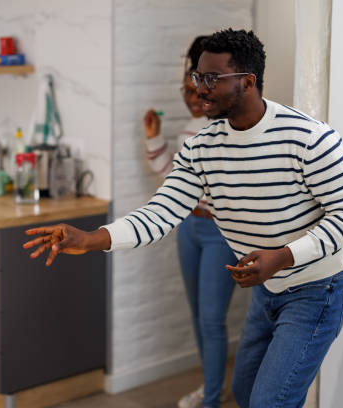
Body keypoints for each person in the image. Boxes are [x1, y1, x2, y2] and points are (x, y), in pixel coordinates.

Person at [23, 28, 343, 408]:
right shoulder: (200, 147)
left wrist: (282, 257)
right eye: (196, 77)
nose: (199, 88)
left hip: (319, 288)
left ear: (247, 81)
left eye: (210, 79)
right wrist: (91, 239)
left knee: (271, 401)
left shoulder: (310, 139)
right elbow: (163, 211)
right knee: (245, 393)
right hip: (269, 292)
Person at [143, 35, 236, 408]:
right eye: (189, 86)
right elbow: (172, 182)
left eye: (200, 84)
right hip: (188, 227)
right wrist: (154, 139)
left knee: (212, 320)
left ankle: (211, 399)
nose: (195, 94)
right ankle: (210, 388)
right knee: (199, 317)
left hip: (218, 231)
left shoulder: (227, 124)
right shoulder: (188, 127)